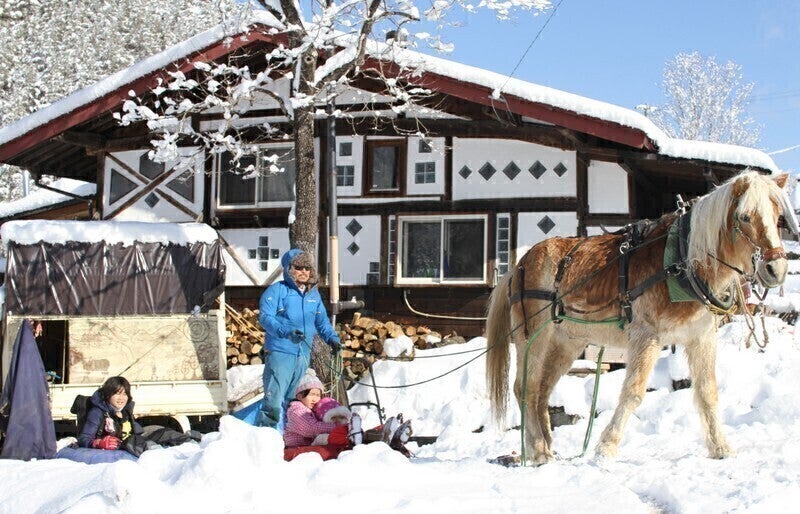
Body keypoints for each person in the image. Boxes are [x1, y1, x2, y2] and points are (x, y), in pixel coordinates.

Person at [257, 249, 342, 430]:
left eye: (307, 268)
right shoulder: (277, 291)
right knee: (273, 399)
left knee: (295, 401)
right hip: (281, 351)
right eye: (298, 267)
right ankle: (265, 437)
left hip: (303, 353)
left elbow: (322, 322)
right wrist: (287, 331)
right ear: (289, 269)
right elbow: (265, 317)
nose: (304, 271)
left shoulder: (313, 295)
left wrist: (333, 340)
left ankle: (291, 435)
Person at [283, 369, 362, 460]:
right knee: (327, 443)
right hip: (296, 450)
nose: (315, 399)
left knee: (332, 441)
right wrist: (336, 426)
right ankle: (349, 434)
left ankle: (352, 435)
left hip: (309, 447)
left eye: (318, 395)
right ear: (300, 396)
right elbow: (311, 428)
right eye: (312, 394)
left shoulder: (311, 410)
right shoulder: (296, 410)